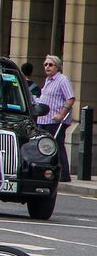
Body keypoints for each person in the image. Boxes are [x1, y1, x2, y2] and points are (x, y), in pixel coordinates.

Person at [38, 54, 76, 182]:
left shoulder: (62, 80)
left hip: (55, 121)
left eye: (50, 64)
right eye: (45, 64)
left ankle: (64, 175)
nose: (47, 67)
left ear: (57, 67)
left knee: (57, 146)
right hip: (43, 119)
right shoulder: (48, 80)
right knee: (45, 148)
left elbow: (70, 98)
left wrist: (61, 115)